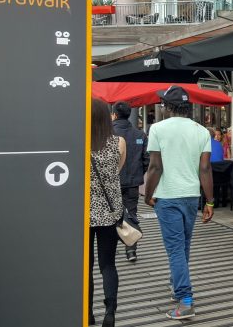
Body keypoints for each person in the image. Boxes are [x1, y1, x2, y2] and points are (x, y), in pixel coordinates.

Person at [144, 86, 215, 320]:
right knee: (183, 246)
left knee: (175, 248)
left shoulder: (157, 129)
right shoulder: (202, 131)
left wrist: (147, 193)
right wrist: (210, 202)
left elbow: (155, 167)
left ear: (167, 107)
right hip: (191, 196)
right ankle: (177, 286)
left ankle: (185, 301)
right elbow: (205, 168)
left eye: (163, 104)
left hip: (167, 196)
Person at [89, 98, 126, 327]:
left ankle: (87, 312)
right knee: (108, 264)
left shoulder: (79, 142)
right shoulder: (119, 142)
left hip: (83, 214)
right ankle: (110, 311)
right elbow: (117, 170)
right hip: (111, 212)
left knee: (85, 265)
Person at [111, 101, 149, 262]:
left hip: (112, 183)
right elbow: (146, 160)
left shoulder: (108, 134)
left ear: (114, 115)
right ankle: (131, 250)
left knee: (111, 215)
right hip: (133, 182)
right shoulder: (140, 135)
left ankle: (110, 249)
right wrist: (138, 173)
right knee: (131, 214)